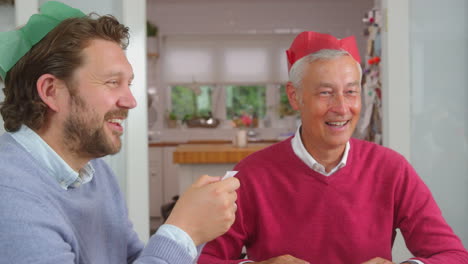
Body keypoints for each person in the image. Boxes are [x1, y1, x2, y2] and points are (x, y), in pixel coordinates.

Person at [0, 1, 239, 264]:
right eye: (112, 82)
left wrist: (195, 225)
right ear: (51, 92)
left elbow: (135, 259)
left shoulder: (94, 173)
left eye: (129, 84)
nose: (130, 101)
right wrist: (184, 231)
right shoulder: (10, 196)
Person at [199, 31, 468, 264]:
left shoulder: (392, 169)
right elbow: (206, 259)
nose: (341, 108)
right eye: (326, 92)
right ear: (295, 96)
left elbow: (453, 255)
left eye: (351, 92)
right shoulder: (250, 176)